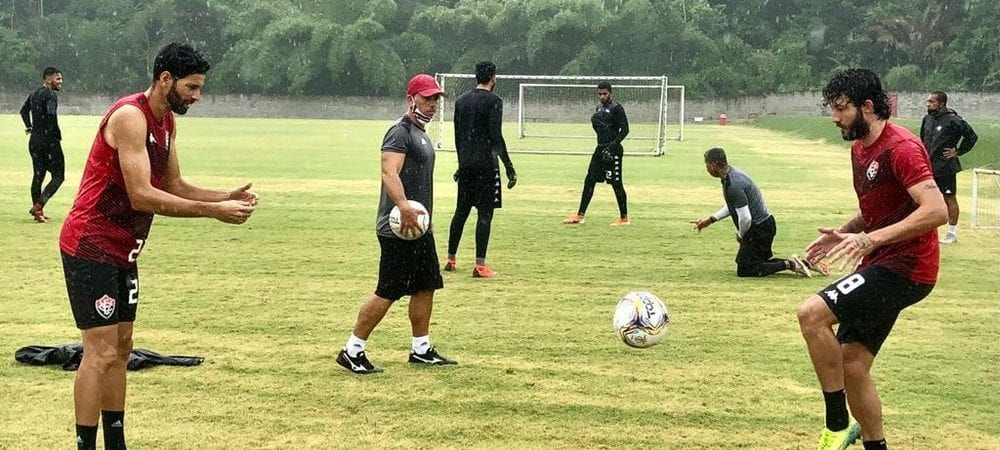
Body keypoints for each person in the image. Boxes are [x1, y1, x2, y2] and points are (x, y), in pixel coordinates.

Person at [59, 43, 258, 450]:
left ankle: (116, 442)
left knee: (123, 346)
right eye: (192, 87)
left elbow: (173, 185)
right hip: (91, 244)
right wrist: (212, 212)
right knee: (99, 351)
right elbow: (142, 196)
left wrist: (223, 196)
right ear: (165, 78)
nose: (197, 96)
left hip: (124, 250)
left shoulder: (166, 122)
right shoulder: (131, 117)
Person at [798, 68, 946, 450]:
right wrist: (844, 233)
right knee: (852, 363)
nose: (834, 118)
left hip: (906, 267)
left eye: (842, 109)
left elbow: (935, 210)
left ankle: (835, 423)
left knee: (811, 314)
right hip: (884, 261)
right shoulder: (860, 148)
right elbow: (880, 207)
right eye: (833, 108)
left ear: (868, 106)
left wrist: (869, 240)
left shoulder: (902, 148)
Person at [336, 74, 457, 375]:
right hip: (397, 229)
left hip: (418, 227)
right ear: (411, 98)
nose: (432, 104)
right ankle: (352, 350)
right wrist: (403, 206)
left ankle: (421, 348)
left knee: (426, 285)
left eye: (436, 99)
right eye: (427, 98)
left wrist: (424, 218)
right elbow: (389, 173)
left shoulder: (423, 134)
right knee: (387, 291)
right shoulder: (399, 133)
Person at [690, 147, 816, 278]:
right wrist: (710, 220)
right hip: (765, 225)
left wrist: (741, 235)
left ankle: (791, 265)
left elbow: (745, 218)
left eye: (707, 165)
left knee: (745, 270)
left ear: (713, 165)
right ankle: (802, 263)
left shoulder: (734, 184)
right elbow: (732, 206)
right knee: (755, 262)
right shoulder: (732, 174)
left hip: (759, 229)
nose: (707, 170)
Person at [444, 61, 516, 278]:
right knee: (485, 214)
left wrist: (461, 164)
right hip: (486, 165)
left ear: (476, 77)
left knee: (461, 212)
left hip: (466, 165)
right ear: (493, 78)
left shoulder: (462, 101)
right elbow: (496, 137)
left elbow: (458, 136)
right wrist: (509, 167)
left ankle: (450, 258)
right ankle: (480, 265)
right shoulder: (495, 101)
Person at [563, 81, 630, 226]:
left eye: (605, 94)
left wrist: (613, 145)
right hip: (600, 149)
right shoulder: (598, 108)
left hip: (614, 150)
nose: (602, 97)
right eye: (599, 94)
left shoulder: (617, 108)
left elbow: (625, 130)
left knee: (616, 184)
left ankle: (624, 218)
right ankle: (580, 215)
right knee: (589, 180)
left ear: (610, 93)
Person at [920, 90, 978, 244]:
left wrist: (958, 151)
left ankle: (951, 234)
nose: (928, 104)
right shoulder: (927, 119)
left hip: (945, 167)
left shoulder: (953, 120)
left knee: (949, 198)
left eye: (932, 102)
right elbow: (922, 140)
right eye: (928, 102)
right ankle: (925, 232)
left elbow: (972, 136)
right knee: (925, 199)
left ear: (941, 103)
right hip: (927, 167)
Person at [20, 67, 65, 223]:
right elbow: (51, 114)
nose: (60, 82)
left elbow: (23, 111)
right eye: (57, 79)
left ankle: (38, 213)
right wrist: (55, 135)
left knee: (38, 176)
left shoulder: (34, 94)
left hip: (34, 140)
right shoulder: (51, 95)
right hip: (49, 141)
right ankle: (39, 206)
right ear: (48, 79)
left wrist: (29, 126)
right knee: (59, 176)